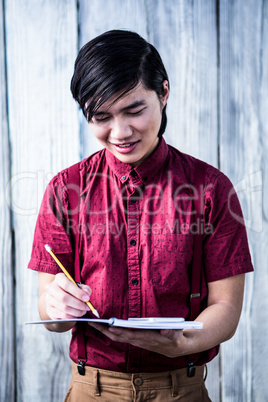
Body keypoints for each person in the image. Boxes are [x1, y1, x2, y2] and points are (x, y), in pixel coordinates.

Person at [28, 30, 253, 401]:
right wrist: (56, 307)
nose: (121, 132)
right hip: (91, 390)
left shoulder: (212, 188)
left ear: (163, 93)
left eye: (134, 111)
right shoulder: (63, 188)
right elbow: (49, 307)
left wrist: (183, 343)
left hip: (181, 389)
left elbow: (227, 308)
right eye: (101, 117)